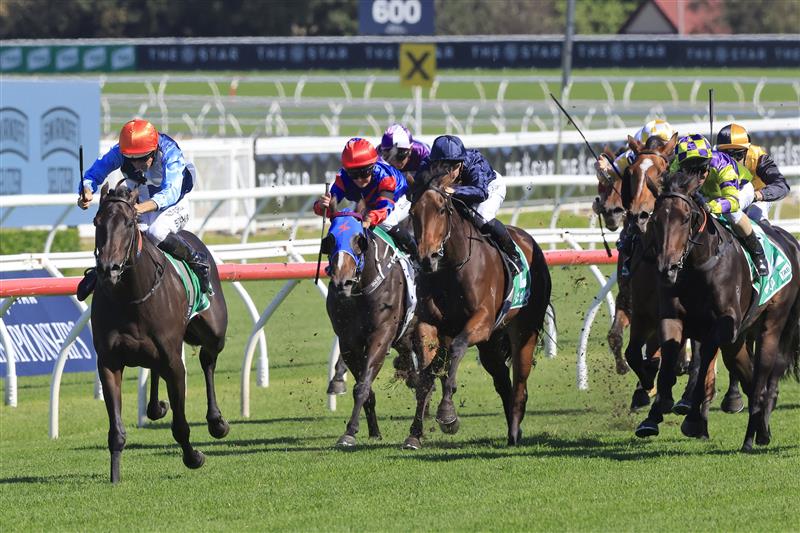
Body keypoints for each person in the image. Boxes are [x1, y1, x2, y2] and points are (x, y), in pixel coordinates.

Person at [76, 119, 212, 300]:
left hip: (173, 206)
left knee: (155, 232)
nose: (135, 165)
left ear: (154, 151)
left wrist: (139, 208)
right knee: (117, 228)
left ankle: (197, 260)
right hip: (139, 206)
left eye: (141, 159)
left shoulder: (170, 152)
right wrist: (86, 191)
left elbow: (170, 193)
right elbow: (94, 173)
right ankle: (100, 269)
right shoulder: (121, 152)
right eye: (130, 159)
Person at [417, 134, 524, 273]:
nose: (450, 173)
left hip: (489, 187)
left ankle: (513, 255)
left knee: (482, 217)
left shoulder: (475, 163)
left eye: (454, 167)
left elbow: (480, 192)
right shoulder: (427, 165)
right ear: (435, 163)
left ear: (461, 163)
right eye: (444, 167)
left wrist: (453, 190)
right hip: (457, 190)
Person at [671, 133, 769, 277]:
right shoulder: (675, 167)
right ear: (681, 167)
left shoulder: (722, 164)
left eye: (702, 169)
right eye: (691, 171)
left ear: (709, 163)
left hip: (739, 189)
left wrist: (712, 207)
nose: (698, 177)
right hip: (708, 193)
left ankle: (758, 254)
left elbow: (732, 201)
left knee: (732, 213)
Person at [314, 137, 418, 259]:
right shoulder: (343, 178)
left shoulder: (385, 177)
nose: (359, 179)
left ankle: (416, 253)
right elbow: (331, 208)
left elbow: (384, 208)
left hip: (401, 197)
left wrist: (369, 219)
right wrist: (321, 206)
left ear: (373, 167)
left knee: (386, 222)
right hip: (372, 202)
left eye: (364, 173)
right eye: (353, 174)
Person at [716, 123, 790, 223]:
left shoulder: (758, 158)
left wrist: (758, 195)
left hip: (756, 199)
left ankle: (761, 238)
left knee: (755, 212)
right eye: (726, 155)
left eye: (738, 155)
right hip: (724, 198)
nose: (732, 161)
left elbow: (782, 186)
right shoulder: (712, 158)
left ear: (747, 151)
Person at [594, 118, 676, 184]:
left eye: (660, 147)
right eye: (649, 147)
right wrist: (602, 170)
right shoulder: (631, 156)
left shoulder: (681, 154)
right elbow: (608, 178)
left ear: (671, 146)